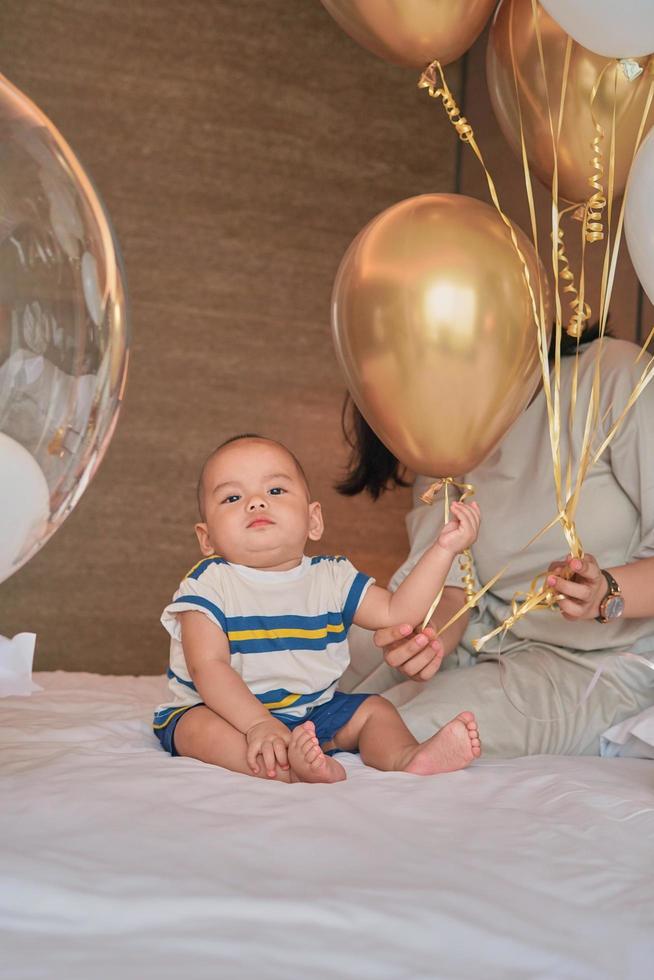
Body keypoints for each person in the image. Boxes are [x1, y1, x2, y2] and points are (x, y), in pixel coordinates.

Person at [337, 329, 654, 757]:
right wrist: (429, 640)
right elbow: (454, 590)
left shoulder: (612, 376)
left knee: (395, 733)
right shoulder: (443, 416)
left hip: (600, 663)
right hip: (485, 643)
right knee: (317, 670)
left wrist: (605, 592)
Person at [153, 433, 482, 782]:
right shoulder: (208, 584)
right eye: (232, 497)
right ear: (206, 538)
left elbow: (397, 613)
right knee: (196, 730)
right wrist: (258, 725)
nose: (255, 503)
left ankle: (408, 756)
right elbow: (208, 668)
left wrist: (444, 550)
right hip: (223, 712)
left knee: (374, 710)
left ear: (314, 521)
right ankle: (287, 770)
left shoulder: (332, 577)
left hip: (310, 711)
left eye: (275, 491)